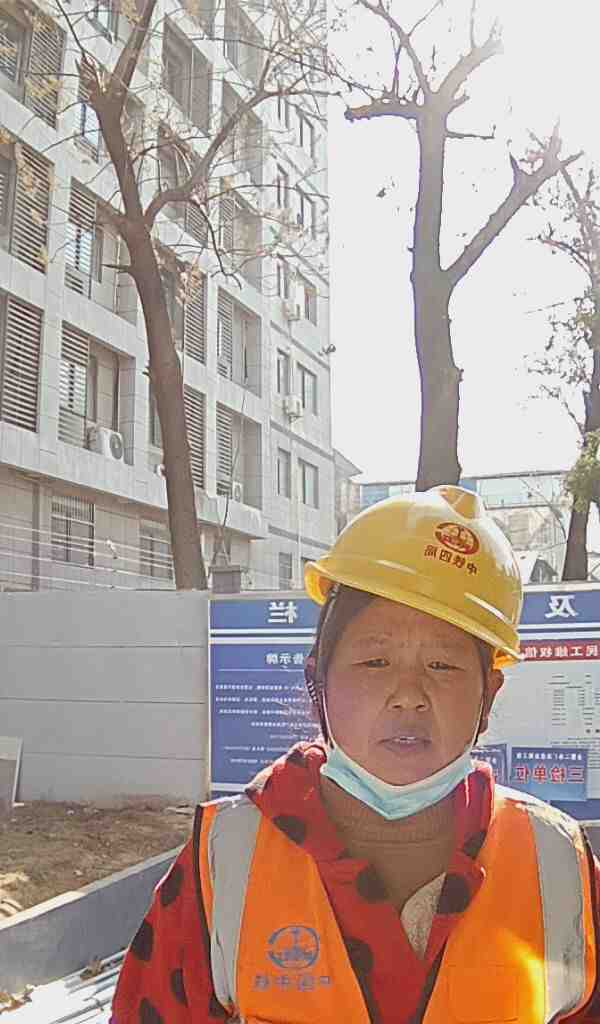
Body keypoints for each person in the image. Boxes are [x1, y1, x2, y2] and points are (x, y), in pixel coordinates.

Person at [112, 485, 600, 1024]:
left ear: (488, 696)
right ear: (317, 681)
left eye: (442, 665)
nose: (409, 695)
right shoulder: (224, 859)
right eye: (374, 663)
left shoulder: (556, 861)